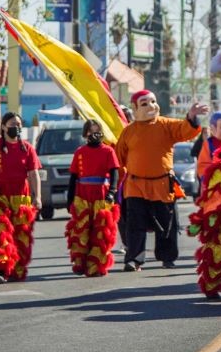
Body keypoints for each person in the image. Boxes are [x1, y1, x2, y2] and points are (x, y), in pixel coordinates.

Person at [115, 90, 207, 271]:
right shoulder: (128, 132)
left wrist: (191, 117)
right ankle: (134, 259)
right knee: (134, 225)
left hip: (163, 185)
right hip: (136, 186)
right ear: (134, 108)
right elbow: (120, 159)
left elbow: (185, 131)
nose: (151, 106)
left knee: (167, 223)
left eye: (153, 101)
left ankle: (167, 257)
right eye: (144, 103)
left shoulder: (166, 125)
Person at [0, 112, 42, 284]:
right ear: (3, 127)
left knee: (21, 237)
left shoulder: (28, 148)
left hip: (21, 198)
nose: (16, 127)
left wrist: (37, 197)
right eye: (12, 124)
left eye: (18, 124)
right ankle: (1, 270)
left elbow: (34, 175)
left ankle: (16, 270)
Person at [65, 120, 121, 277]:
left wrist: (112, 192)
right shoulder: (79, 152)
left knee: (101, 231)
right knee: (81, 229)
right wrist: (69, 199)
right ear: (85, 133)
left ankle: (96, 265)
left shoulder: (108, 151)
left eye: (97, 130)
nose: (94, 133)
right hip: (82, 195)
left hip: (101, 195)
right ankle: (80, 262)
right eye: (91, 130)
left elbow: (115, 173)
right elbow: (73, 177)